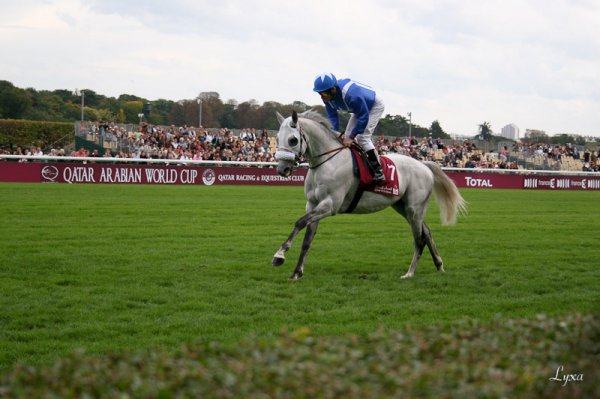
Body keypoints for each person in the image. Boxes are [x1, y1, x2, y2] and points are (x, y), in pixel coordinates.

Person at [313, 72, 385, 183]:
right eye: (320, 94)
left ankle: (378, 171)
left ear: (333, 89)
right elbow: (332, 117)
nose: (322, 97)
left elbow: (363, 117)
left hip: (374, 105)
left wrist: (351, 137)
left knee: (362, 138)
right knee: (345, 137)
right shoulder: (327, 96)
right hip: (359, 108)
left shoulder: (351, 95)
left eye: (324, 94)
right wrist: (333, 134)